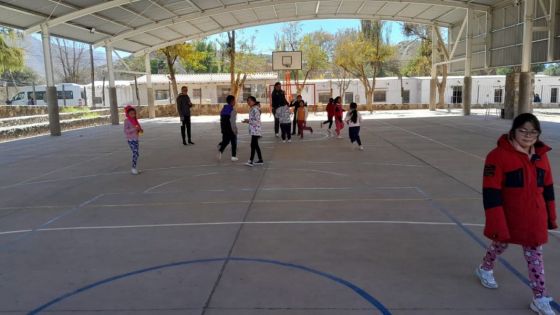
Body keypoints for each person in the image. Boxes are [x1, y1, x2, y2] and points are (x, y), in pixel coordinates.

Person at [475, 113, 557, 315]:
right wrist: (496, 222)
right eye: (523, 130)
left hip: (534, 216)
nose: (528, 135)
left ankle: (539, 297)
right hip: (508, 215)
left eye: (533, 131)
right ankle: (485, 268)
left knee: (535, 255)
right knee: (500, 244)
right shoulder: (497, 156)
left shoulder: (541, 155)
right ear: (513, 131)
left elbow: (548, 186)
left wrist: (550, 215)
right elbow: (491, 192)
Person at [243, 96, 264, 167]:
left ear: (254, 101)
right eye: (247, 101)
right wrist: (248, 121)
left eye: (249, 101)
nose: (248, 102)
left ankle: (251, 161)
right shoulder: (252, 109)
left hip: (256, 130)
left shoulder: (255, 109)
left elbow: (257, 121)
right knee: (255, 145)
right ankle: (260, 160)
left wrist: (248, 121)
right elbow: (253, 119)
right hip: (254, 130)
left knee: (253, 145)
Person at [217, 95, 238, 161]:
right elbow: (232, 122)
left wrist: (222, 129)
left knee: (226, 141)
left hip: (224, 128)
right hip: (230, 128)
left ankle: (220, 150)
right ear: (232, 102)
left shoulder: (224, 109)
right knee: (233, 142)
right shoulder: (232, 110)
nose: (235, 102)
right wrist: (235, 130)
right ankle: (233, 156)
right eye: (234, 100)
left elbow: (222, 120)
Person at [123, 105, 143, 175]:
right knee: (135, 153)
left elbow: (139, 129)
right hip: (130, 140)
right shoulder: (127, 121)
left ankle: (134, 168)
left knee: (136, 154)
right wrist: (134, 128)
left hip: (136, 139)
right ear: (128, 114)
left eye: (134, 113)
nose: (133, 115)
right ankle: (133, 168)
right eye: (131, 114)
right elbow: (126, 131)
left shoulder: (135, 120)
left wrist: (140, 130)